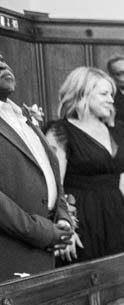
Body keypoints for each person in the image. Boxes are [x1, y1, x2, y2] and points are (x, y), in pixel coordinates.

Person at [47, 67, 124, 262]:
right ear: (82, 94)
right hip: (83, 217)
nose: (111, 100)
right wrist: (65, 226)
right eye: (104, 94)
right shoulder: (61, 131)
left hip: (117, 215)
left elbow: (119, 177)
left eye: (111, 94)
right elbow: (55, 184)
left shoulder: (116, 130)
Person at [0, 52, 74, 278]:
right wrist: (41, 232)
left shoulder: (22, 116)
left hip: (44, 248)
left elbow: (48, 172)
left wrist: (62, 217)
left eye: (2, 58)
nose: (3, 64)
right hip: (11, 250)